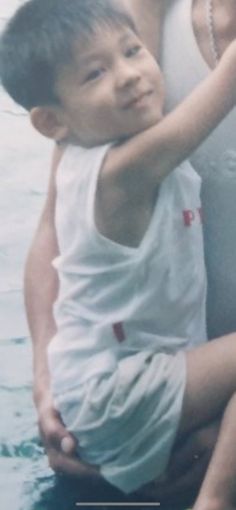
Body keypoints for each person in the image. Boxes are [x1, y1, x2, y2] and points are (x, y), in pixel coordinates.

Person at [2, 0, 236, 506]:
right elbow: (54, 230)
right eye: (97, 72)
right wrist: (47, 383)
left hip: (187, 403)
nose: (127, 73)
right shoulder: (134, 28)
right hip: (145, 403)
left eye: (130, 54)